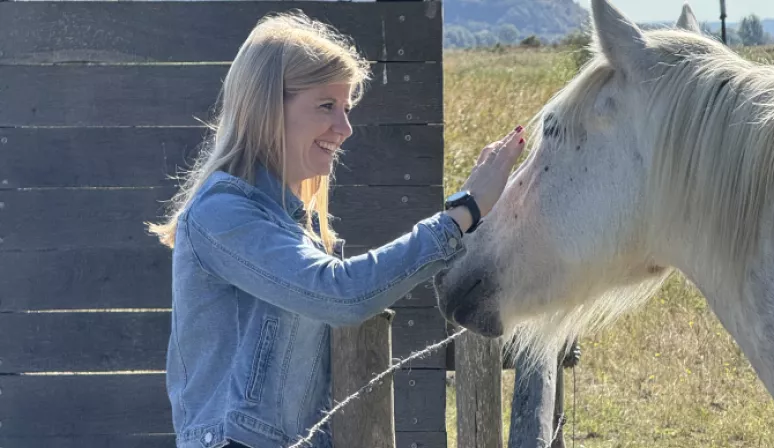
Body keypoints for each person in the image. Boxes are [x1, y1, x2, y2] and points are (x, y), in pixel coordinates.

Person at [146, 10, 525, 448]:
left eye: (346, 109)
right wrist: (462, 213)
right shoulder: (223, 213)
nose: (344, 128)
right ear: (266, 107)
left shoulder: (286, 226)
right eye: (327, 106)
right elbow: (340, 294)